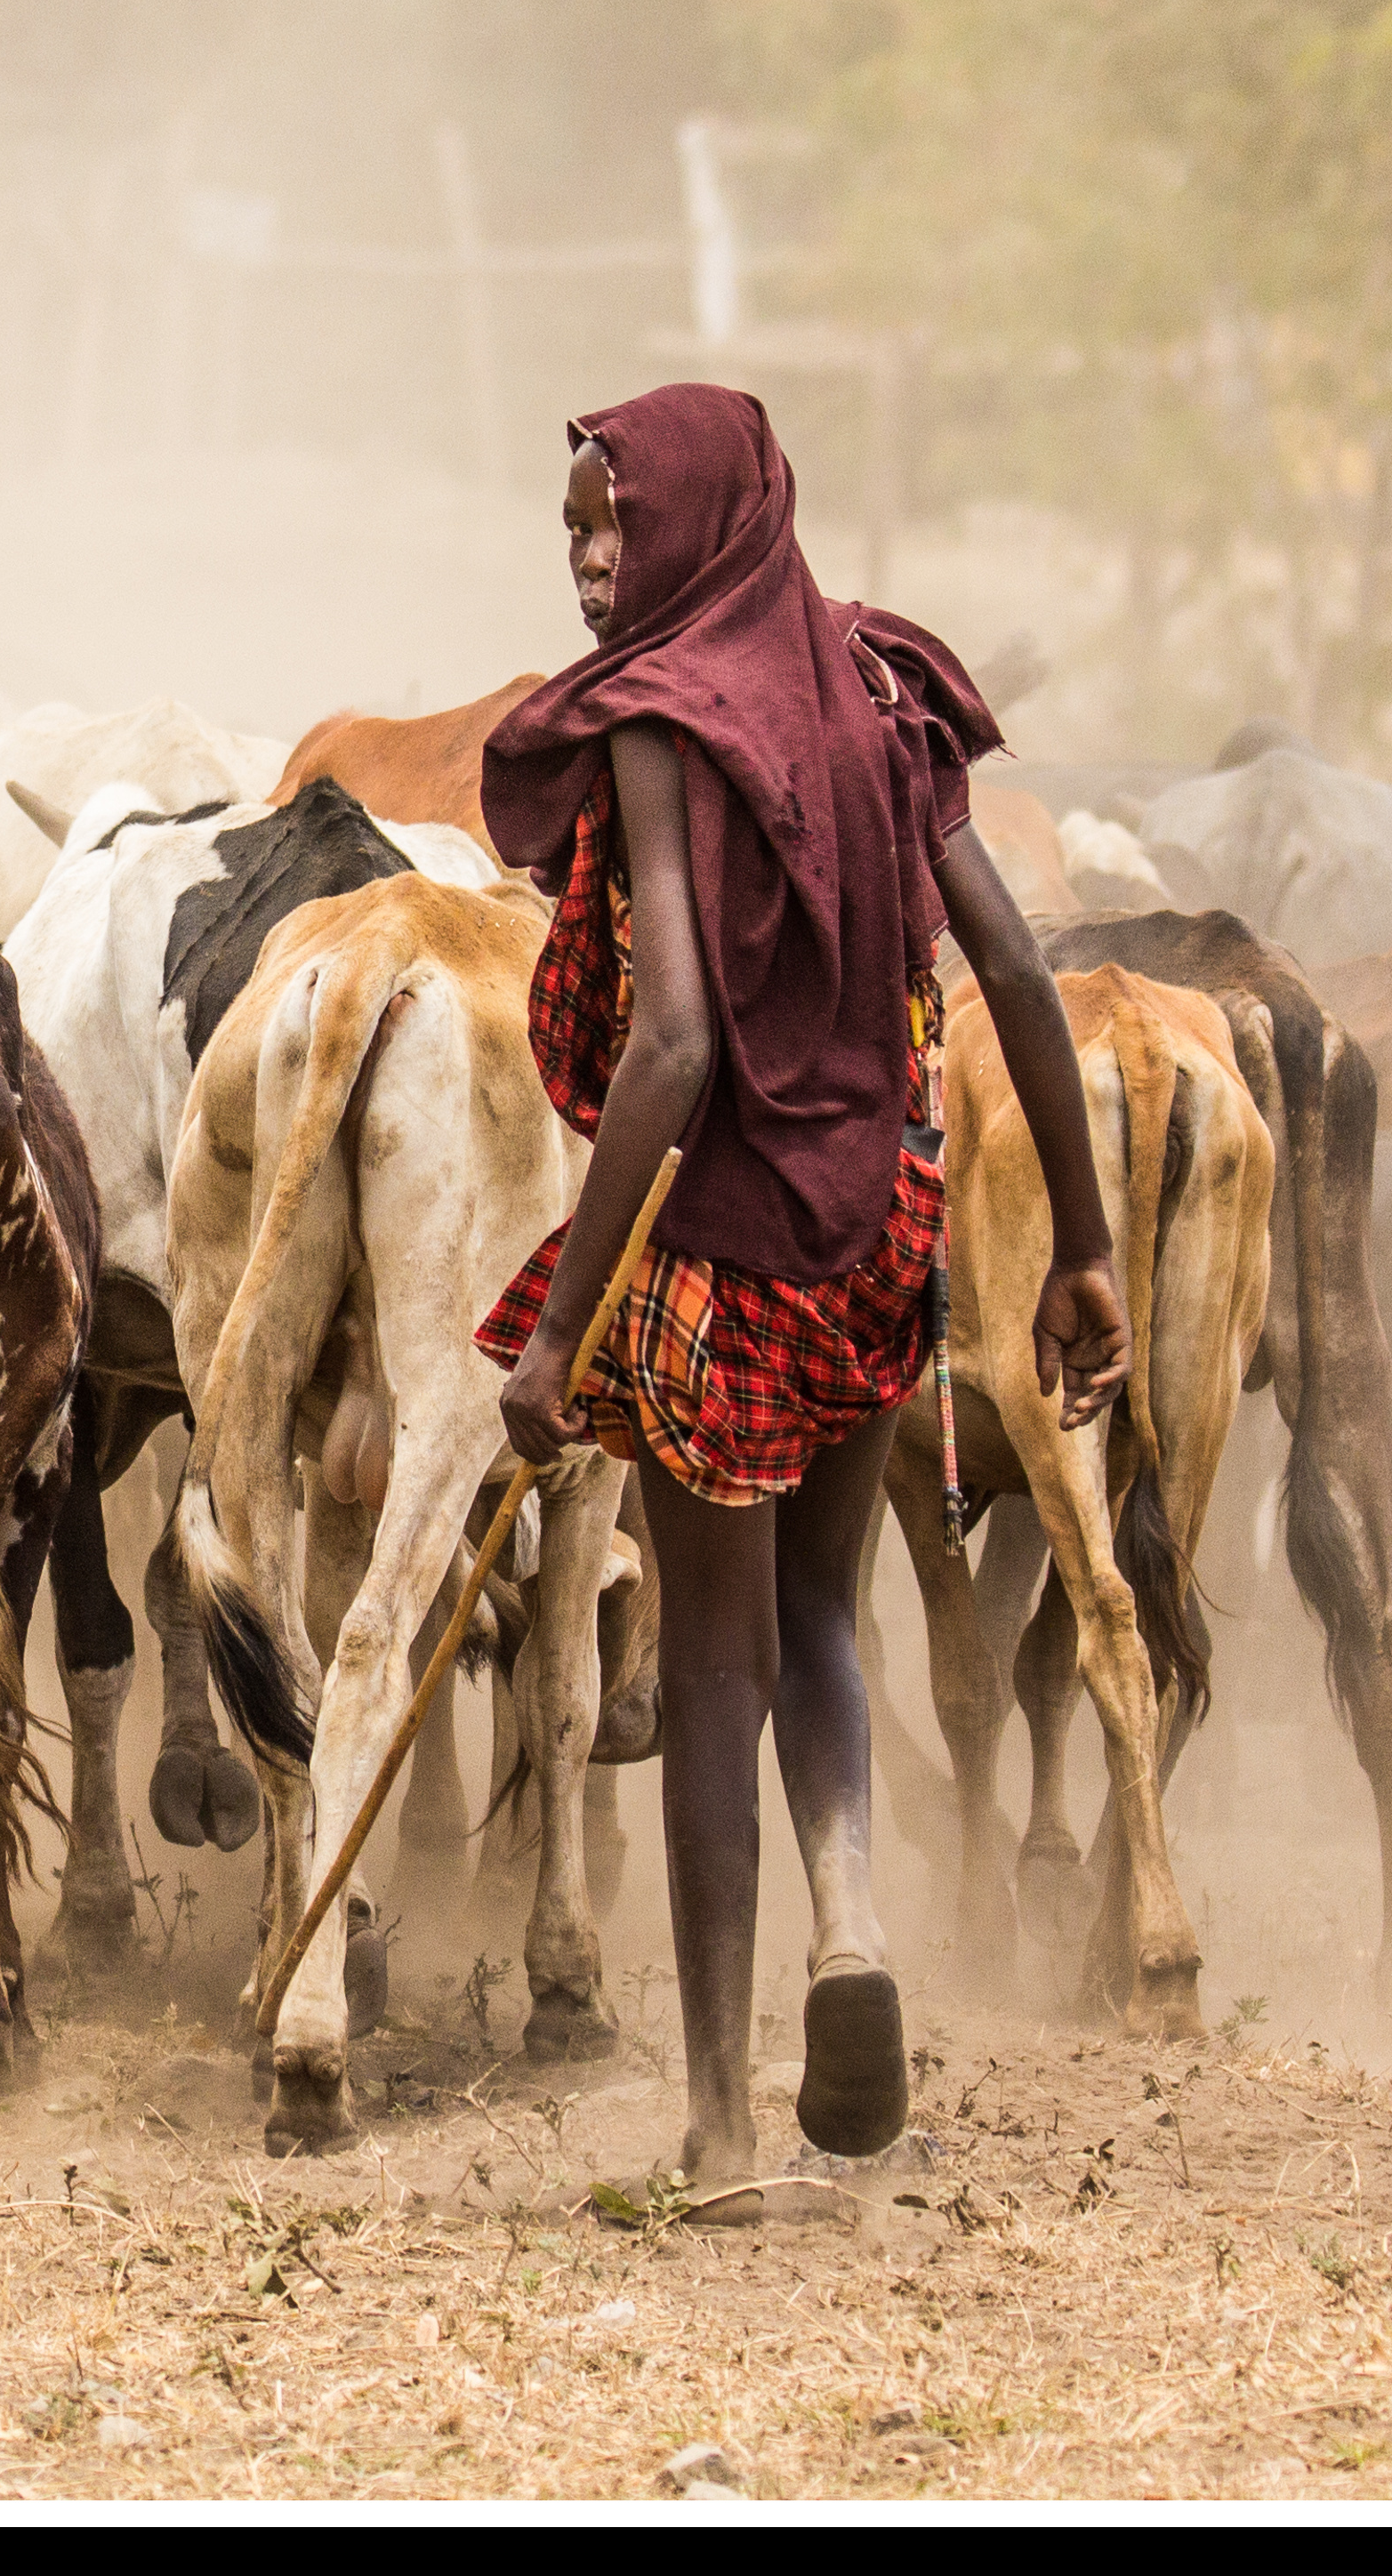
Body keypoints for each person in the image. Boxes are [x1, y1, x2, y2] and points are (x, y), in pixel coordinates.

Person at [476, 386, 1130, 2187]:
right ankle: (851, 1922)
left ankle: (709, 2115)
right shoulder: (883, 688)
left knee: (710, 1660)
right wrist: (1081, 1239)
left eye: (619, 526)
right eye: (575, 537)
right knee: (828, 1615)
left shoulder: (664, 731)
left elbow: (675, 1043)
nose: (599, 566)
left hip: (727, 1258)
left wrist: (553, 1335)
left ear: (706, 518)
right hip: (885, 1236)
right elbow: (1005, 955)